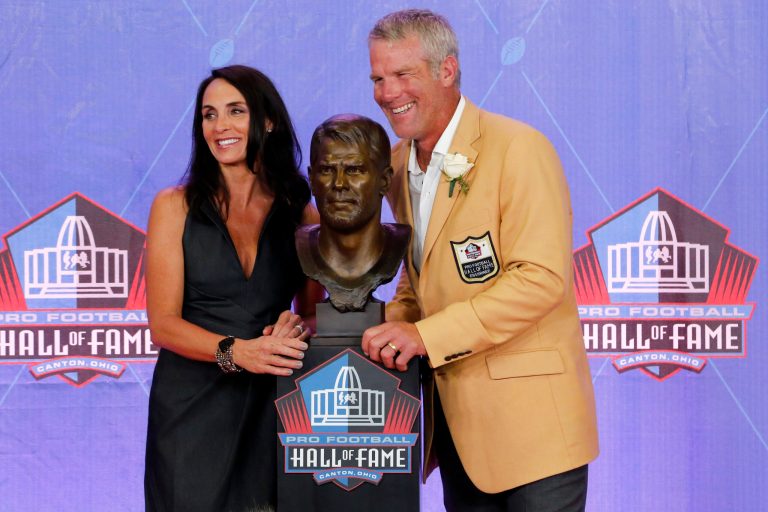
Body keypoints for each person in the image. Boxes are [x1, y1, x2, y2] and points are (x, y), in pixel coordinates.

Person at [361, 9, 599, 511]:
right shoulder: (399, 163)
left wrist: (424, 336)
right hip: (458, 436)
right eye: (378, 78)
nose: (387, 93)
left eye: (403, 75)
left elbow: (539, 279)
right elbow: (418, 282)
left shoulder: (519, 148)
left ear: (447, 70)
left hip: (537, 438)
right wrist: (358, 330)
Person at [144, 65, 323, 511]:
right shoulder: (174, 206)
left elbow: (315, 313)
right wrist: (236, 352)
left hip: (271, 404)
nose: (219, 126)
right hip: (190, 407)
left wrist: (296, 325)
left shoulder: (301, 212)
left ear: (267, 121)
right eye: (209, 115)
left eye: (235, 111)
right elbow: (162, 325)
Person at [296, 114, 410, 312]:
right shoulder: (300, 245)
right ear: (312, 180)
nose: (339, 183)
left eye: (355, 170)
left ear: (384, 181)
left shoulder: (402, 242)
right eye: (327, 170)